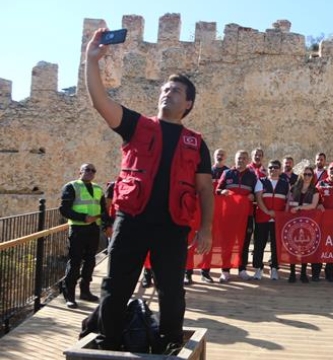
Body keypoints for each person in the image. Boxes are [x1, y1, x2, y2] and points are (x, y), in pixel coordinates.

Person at [85, 28, 213, 351]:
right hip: (132, 220)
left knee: (172, 290)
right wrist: (91, 61)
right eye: (165, 88)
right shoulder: (136, 125)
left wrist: (206, 229)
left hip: (173, 226)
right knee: (116, 285)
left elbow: (205, 190)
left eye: (176, 90)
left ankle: (171, 343)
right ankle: (108, 341)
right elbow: (101, 102)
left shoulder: (196, 144)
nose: (167, 93)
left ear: (189, 103)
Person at [59, 163, 110, 309]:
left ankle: (85, 291)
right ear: (79, 171)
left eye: (93, 170)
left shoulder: (98, 189)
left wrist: (106, 225)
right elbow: (64, 209)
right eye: (87, 169)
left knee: (90, 261)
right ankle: (69, 295)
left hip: (93, 230)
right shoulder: (71, 186)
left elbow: (103, 209)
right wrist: (83, 217)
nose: (90, 172)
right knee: (75, 262)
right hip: (77, 229)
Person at [184, 148, 229, 284]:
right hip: (195, 211)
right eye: (218, 154)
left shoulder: (227, 172)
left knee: (210, 243)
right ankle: (188, 273)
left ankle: (205, 272)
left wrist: (222, 193)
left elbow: (223, 191)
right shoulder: (202, 171)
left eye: (222, 154)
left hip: (215, 213)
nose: (220, 156)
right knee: (190, 242)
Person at [216, 150, 258, 282]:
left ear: (247, 161)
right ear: (235, 159)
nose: (241, 160)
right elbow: (217, 190)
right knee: (227, 243)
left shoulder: (252, 176)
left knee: (244, 243)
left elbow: (257, 194)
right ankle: (225, 270)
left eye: (244, 158)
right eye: (239, 158)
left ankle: (242, 269)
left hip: (246, 215)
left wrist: (253, 196)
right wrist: (222, 191)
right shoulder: (227, 173)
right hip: (229, 215)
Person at [252, 160, 290, 280]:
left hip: (278, 220)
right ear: (267, 169)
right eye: (270, 167)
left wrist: (281, 215)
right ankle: (258, 268)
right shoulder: (261, 181)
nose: (273, 169)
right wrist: (268, 212)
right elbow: (259, 199)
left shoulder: (285, 183)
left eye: (276, 167)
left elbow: (288, 201)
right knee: (259, 244)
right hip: (262, 217)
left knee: (276, 245)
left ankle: (274, 268)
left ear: (280, 170)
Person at [287, 167, 321, 283]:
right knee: (292, 247)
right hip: (293, 221)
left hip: (307, 222)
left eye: (309, 175)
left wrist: (299, 207)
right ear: (301, 175)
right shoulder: (294, 188)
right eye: (305, 174)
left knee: (305, 248)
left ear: (312, 176)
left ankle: (303, 272)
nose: (307, 177)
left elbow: (313, 205)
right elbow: (288, 203)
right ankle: (292, 272)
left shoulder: (315, 190)